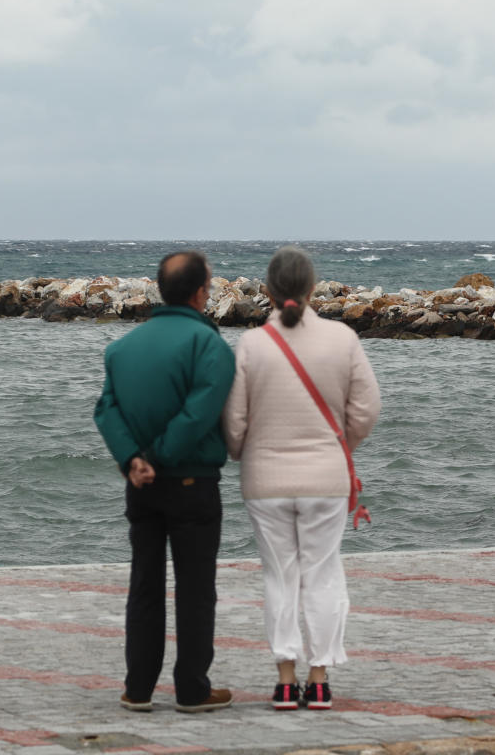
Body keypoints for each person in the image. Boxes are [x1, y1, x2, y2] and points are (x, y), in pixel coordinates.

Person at [222, 245, 381, 710]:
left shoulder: (251, 344)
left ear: (268, 292)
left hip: (265, 481)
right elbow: (367, 409)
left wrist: (241, 452)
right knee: (324, 574)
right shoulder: (342, 338)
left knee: (280, 577)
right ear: (312, 289)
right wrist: (341, 446)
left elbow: (234, 419)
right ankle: (320, 677)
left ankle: (286, 680)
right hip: (326, 479)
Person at [93, 250, 236, 713]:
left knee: (145, 586)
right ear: (200, 292)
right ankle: (192, 688)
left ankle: (138, 687)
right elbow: (200, 412)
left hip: (141, 486)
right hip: (192, 483)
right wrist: (156, 457)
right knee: (195, 590)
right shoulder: (209, 345)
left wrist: (133, 460)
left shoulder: (122, 348)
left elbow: (106, 410)